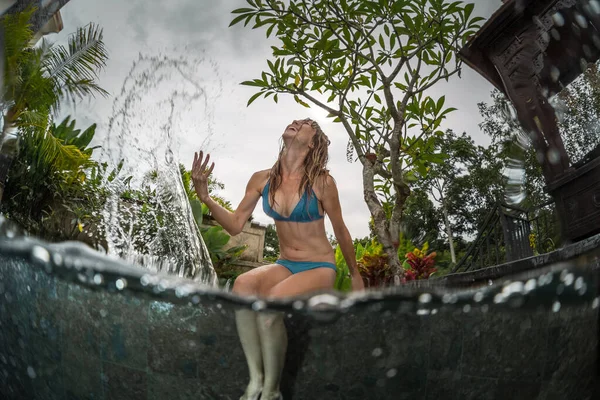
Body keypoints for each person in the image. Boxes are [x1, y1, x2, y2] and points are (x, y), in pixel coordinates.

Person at [192, 118, 364, 400]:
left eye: (307, 123)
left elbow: (341, 231)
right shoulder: (262, 179)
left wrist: (356, 275)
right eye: (295, 119)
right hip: (286, 263)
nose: (296, 121)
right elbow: (236, 224)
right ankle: (255, 380)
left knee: (270, 305)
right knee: (242, 286)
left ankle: (272, 391)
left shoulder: (322, 182)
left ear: (312, 143)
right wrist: (207, 198)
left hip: (319, 265)